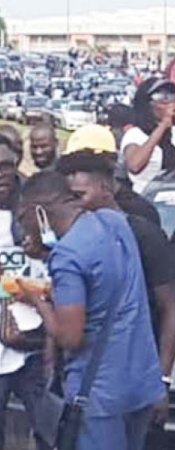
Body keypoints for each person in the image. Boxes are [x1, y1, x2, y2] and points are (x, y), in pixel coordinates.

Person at [17, 171, 166, 450]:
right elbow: (106, 282)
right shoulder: (113, 222)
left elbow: (70, 338)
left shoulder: (68, 256)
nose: (24, 230)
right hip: (141, 381)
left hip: (99, 394)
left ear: (39, 212)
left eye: (23, 218)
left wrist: (37, 301)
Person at [55, 125, 175, 440]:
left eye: (80, 196)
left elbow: (172, 308)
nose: (76, 205)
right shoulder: (76, 237)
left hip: (127, 389)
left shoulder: (139, 232)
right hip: (102, 383)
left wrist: (161, 379)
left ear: (106, 188)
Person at [0, 135, 48, 450]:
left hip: (37, 344)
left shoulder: (36, 205)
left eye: (5, 165)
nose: (1, 174)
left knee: (50, 430)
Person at [121, 77, 175, 193]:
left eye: (173, 98)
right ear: (148, 105)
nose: (171, 104)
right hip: (147, 197)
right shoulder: (135, 134)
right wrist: (162, 126)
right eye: (164, 99)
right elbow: (135, 165)